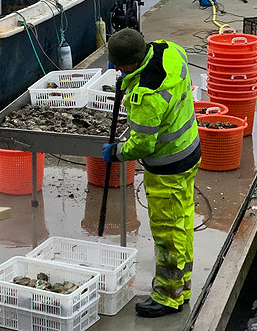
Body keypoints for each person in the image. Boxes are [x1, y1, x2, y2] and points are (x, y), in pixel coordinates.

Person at [102, 27, 201, 318]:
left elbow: (142, 144)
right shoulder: (169, 50)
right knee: (182, 222)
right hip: (190, 151)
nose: (117, 70)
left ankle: (168, 297)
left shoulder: (146, 95)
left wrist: (117, 153)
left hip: (167, 169)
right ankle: (182, 286)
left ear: (130, 63)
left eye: (119, 65)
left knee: (168, 233)